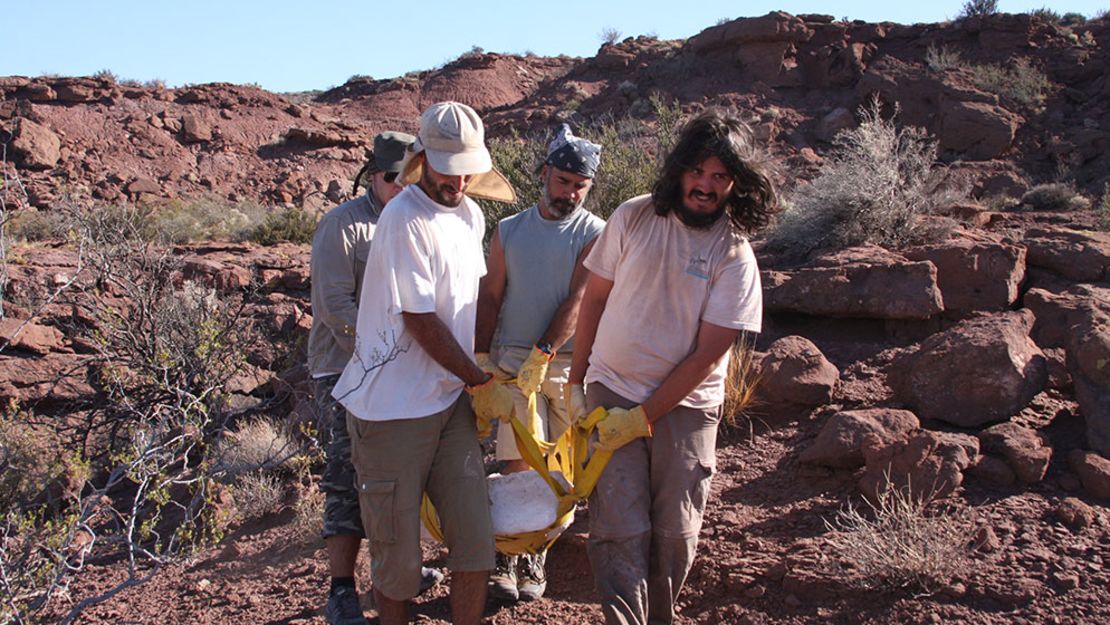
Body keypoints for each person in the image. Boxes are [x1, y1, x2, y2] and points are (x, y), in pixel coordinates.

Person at [565, 109, 779, 625]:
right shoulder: (633, 216)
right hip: (610, 390)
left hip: (686, 409)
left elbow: (709, 354)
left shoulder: (734, 253)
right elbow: (593, 299)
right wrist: (576, 383)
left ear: (736, 185)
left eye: (719, 178)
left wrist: (644, 417)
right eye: (697, 172)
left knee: (673, 534)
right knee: (617, 527)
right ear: (679, 169)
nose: (705, 187)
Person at [331, 101, 516, 625]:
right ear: (422, 159)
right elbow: (420, 319)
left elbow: (470, 299)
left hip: (449, 400)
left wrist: (478, 365)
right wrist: (479, 380)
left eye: (466, 168)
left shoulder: (472, 214)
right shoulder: (402, 218)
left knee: (476, 543)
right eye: (445, 166)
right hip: (389, 412)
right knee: (398, 563)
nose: (456, 180)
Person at [308, 131, 445, 625]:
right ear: (373, 176)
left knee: (408, 476)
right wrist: (378, 356)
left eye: (408, 176)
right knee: (347, 478)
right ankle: (342, 588)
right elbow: (333, 306)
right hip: (346, 372)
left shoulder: (420, 221)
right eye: (392, 177)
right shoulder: (343, 227)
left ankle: (401, 573)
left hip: (407, 374)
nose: (400, 185)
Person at [474, 124, 604, 603]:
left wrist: (543, 354)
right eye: (563, 180)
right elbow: (490, 296)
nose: (569, 192)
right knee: (514, 462)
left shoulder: (595, 232)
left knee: (559, 465)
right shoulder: (508, 230)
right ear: (544, 172)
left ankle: (537, 557)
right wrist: (481, 357)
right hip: (511, 366)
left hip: (565, 365)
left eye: (579, 186)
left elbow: (579, 298)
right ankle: (507, 557)